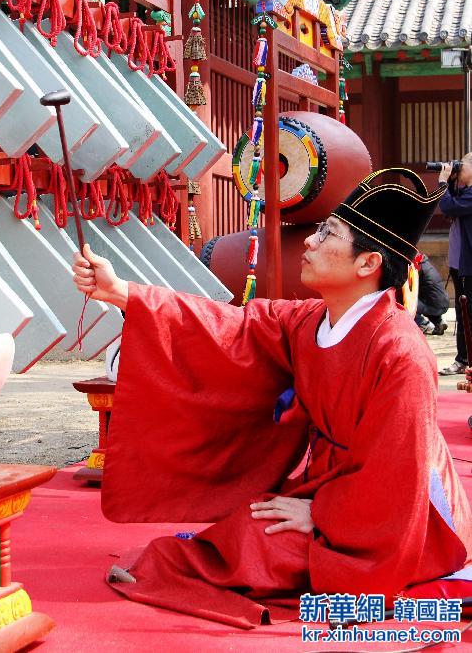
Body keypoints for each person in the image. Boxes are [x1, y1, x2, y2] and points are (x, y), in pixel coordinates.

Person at [72, 169, 472, 629]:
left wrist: (321, 513)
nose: (310, 242)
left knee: (257, 546)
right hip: (338, 490)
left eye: (328, 235)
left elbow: (400, 471)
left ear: (368, 264)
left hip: (398, 516)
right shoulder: (310, 319)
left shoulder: (400, 352)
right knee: (248, 531)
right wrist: (122, 292)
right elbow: (231, 327)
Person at [438, 155, 472, 375]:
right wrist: (449, 179)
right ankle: (464, 360)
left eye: (463, 164)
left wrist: (442, 181)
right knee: (462, 313)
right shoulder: (464, 193)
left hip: (468, 266)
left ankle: (464, 360)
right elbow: (451, 199)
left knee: (468, 314)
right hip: (459, 265)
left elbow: (448, 206)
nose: (458, 167)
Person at [415, 254, 449, 335]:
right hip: (443, 303)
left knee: (407, 304)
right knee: (427, 302)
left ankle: (423, 324)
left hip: (434, 305)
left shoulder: (419, 268)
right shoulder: (427, 265)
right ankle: (439, 322)